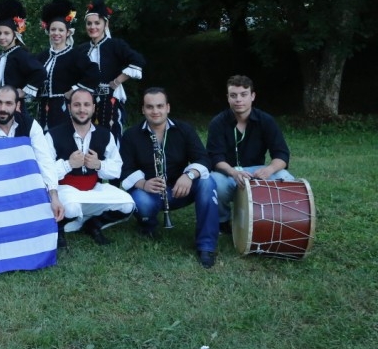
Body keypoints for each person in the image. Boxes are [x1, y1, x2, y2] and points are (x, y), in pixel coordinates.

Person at [120, 88, 219, 268]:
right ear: (143, 109)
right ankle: (148, 226)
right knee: (142, 201)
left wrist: (189, 175)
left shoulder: (184, 130)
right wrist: (143, 183)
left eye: (160, 106)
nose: (155, 111)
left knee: (207, 182)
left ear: (168, 108)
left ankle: (206, 246)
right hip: (150, 192)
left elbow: (203, 159)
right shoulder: (131, 135)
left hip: (180, 190)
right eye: (150, 107)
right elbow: (124, 169)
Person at [0, 86, 65, 241]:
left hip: (25, 185)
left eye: (8, 103)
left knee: (45, 200)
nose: (2, 108)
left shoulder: (30, 125)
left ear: (17, 105)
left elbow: (44, 161)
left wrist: (53, 196)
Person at [47, 88, 135, 246]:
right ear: (69, 108)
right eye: (77, 105)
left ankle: (93, 224)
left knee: (128, 205)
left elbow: (117, 168)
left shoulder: (105, 134)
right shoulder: (53, 135)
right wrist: (68, 165)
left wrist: (99, 164)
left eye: (86, 104)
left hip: (93, 188)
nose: (82, 109)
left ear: (93, 108)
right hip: (65, 190)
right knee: (72, 208)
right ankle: (59, 229)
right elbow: (44, 171)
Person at [206, 74, 294, 232]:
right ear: (228, 98)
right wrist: (233, 173)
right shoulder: (218, 122)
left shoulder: (266, 120)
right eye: (233, 95)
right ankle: (222, 221)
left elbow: (282, 154)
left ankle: (277, 220)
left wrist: (269, 169)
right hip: (228, 172)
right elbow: (215, 157)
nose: (238, 100)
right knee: (213, 182)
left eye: (243, 94)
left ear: (252, 96)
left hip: (257, 171)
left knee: (286, 178)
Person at [83, 0, 145, 140]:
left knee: (110, 136)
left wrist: (118, 81)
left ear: (106, 24)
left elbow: (138, 61)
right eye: (89, 23)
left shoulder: (115, 45)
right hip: (86, 102)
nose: (93, 27)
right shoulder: (82, 50)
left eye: (97, 23)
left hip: (110, 99)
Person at [35, 0, 99, 132]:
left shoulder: (75, 56)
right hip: (43, 108)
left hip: (63, 107)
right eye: (53, 30)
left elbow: (93, 73)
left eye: (60, 30)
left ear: (68, 32)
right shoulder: (42, 57)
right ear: (48, 31)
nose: (56, 33)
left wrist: (74, 90)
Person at [0, 0, 45, 108]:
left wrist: (24, 91)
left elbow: (40, 72)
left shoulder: (21, 54)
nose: (2, 37)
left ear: (15, 35)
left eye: (6, 33)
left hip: (15, 107)